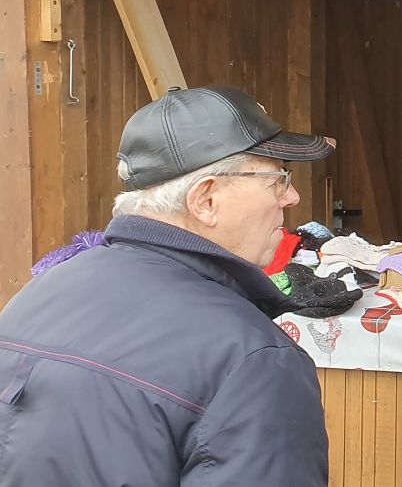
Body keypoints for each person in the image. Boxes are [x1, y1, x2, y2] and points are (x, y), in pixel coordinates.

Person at [0, 85, 335, 487]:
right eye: (278, 180)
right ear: (205, 200)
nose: (292, 197)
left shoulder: (40, 293)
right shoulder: (252, 359)